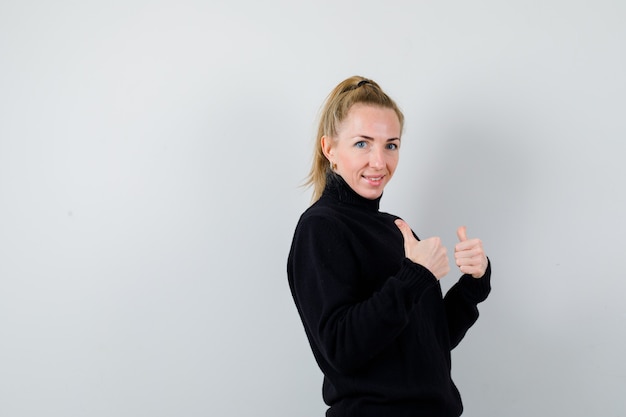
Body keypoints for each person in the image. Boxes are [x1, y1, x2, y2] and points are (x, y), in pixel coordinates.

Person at [287, 76, 491, 417]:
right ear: (330, 149)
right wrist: (415, 276)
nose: (379, 162)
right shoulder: (320, 227)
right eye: (362, 144)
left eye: (390, 145)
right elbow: (342, 348)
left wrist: (473, 283)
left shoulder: (397, 229)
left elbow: (430, 341)